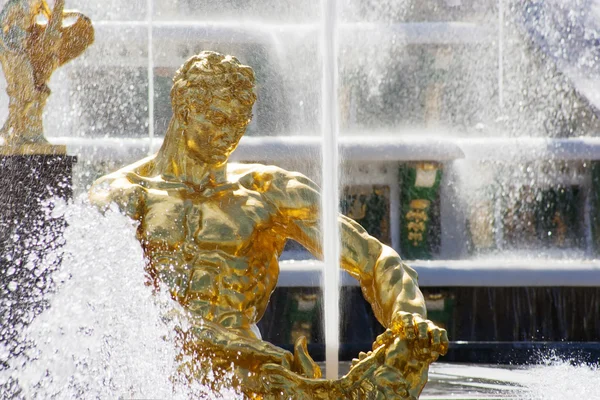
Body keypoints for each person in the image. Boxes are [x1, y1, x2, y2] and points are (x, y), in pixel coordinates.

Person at [89, 51, 447, 399]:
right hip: (158, 367)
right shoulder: (123, 195)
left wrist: (409, 316)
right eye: (216, 118)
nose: (228, 134)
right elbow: (107, 301)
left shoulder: (266, 192)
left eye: (238, 123)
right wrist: (212, 338)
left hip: (249, 375)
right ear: (184, 110)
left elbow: (374, 257)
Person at [0, 0, 93, 145]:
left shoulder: (39, 3)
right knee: (26, 93)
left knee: (30, 93)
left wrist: (74, 14)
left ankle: (15, 132)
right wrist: (7, 48)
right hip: (14, 54)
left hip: (23, 53)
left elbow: (53, 17)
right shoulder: (16, 4)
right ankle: (16, 132)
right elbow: (1, 25)